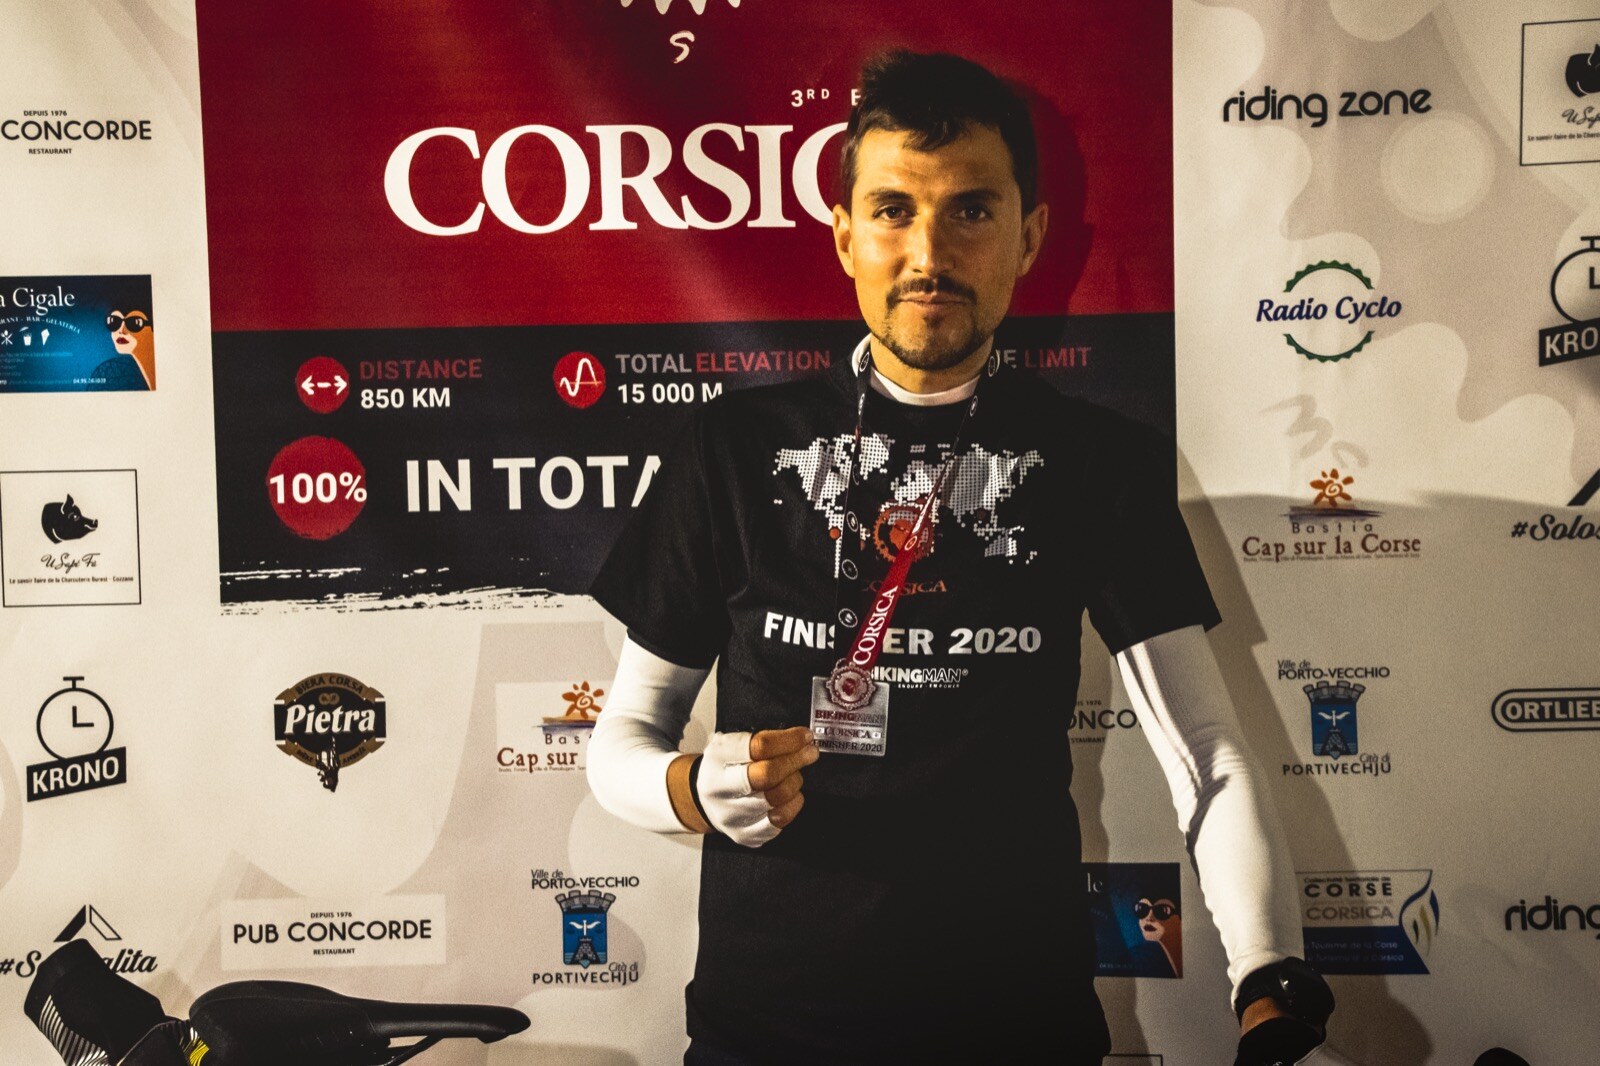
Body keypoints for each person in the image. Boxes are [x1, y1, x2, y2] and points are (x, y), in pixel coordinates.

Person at [587, 50, 1333, 1066]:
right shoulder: (734, 449)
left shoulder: (1095, 461)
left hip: (1017, 1030)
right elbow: (620, 742)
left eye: (971, 211)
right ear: (845, 235)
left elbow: (1205, 751)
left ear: (1028, 238)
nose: (928, 253)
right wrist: (688, 790)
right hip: (766, 1035)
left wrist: (1267, 976)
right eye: (892, 210)